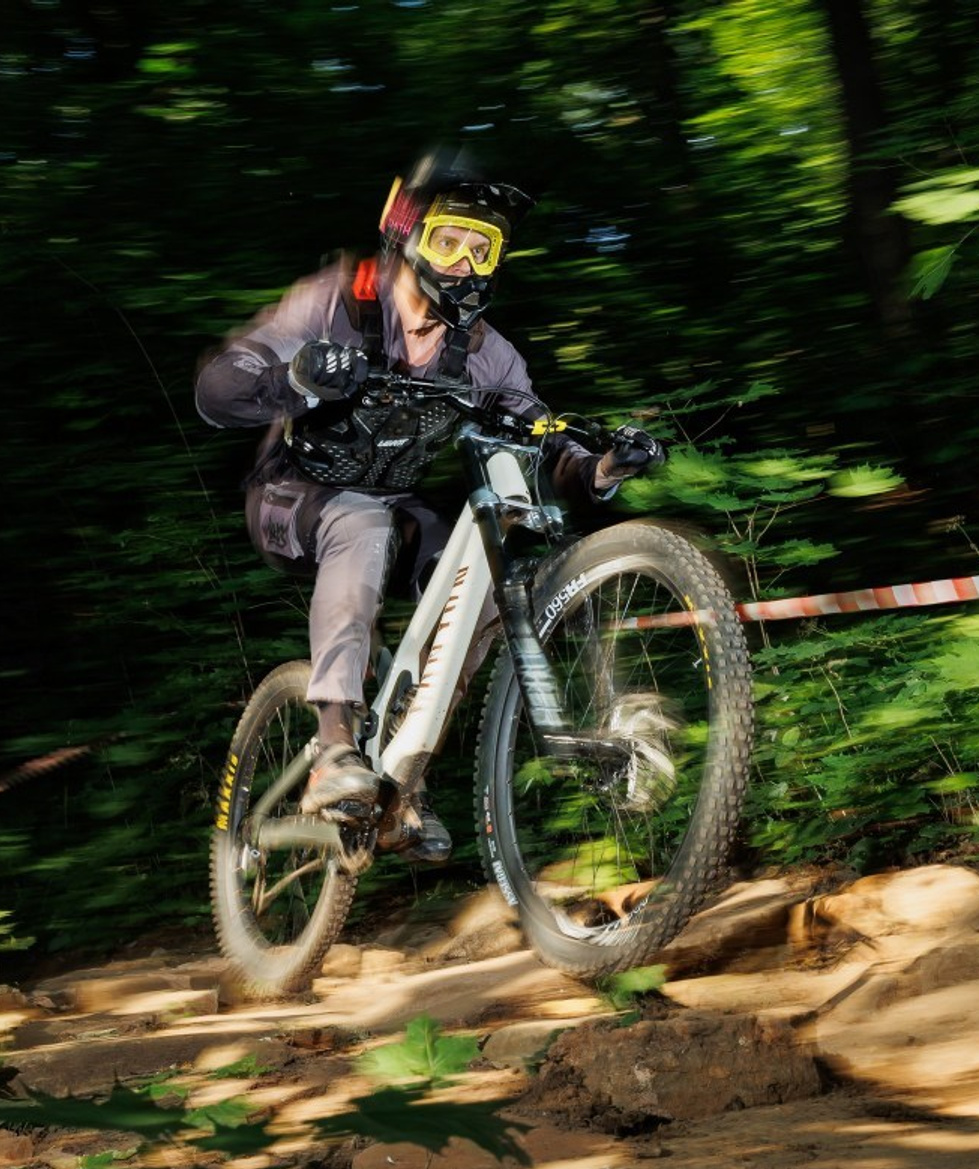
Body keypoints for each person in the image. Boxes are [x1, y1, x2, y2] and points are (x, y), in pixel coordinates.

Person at [196, 148, 663, 862]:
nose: (467, 264)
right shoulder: (338, 301)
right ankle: (332, 750)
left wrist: (600, 468)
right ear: (407, 235)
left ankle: (402, 779)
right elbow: (218, 390)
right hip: (292, 496)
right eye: (450, 241)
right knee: (363, 518)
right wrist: (298, 377)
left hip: (397, 506)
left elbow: (538, 445)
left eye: (485, 248)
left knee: (486, 569)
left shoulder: (486, 355)